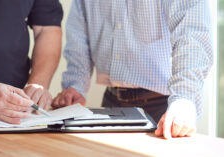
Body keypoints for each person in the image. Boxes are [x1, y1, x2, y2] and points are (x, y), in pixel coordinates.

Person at [53, 0, 213, 139]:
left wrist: (185, 98)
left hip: (164, 109)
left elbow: (192, 35)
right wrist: (76, 85)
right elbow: (78, 35)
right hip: (111, 104)